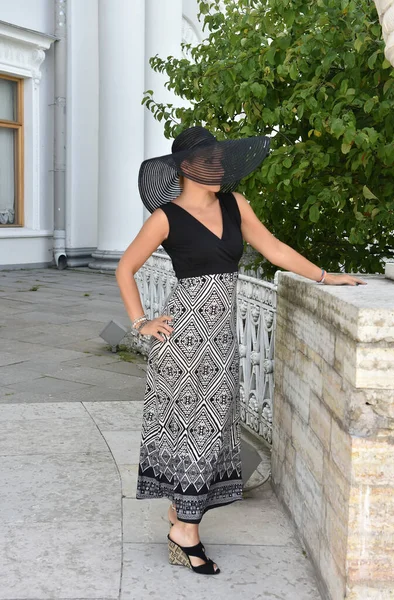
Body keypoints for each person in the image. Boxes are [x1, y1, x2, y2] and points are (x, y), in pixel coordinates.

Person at [115, 126, 367, 576]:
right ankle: (186, 532)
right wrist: (140, 322)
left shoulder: (235, 205)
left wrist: (326, 277)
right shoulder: (165, 217)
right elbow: (125, 268)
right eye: (207, 161)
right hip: (182, 345)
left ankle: (179, 516)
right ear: (185, 169)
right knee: (189, 434)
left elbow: (273, 248)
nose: (218, 169)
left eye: (219, 160)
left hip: (222, 344)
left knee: (211, 432)